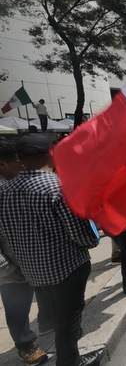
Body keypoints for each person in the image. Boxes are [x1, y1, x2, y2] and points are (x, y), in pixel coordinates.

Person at [0, 134, 105, 366]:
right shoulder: (59, 188)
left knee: (60, 316)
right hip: (67, 267)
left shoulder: (4, 192)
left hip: (32, 270)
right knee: (69, 318)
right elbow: (82, 235)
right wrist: (93, 239)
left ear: (20, 158)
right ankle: (70, 361)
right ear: (53, 153)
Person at [0, 140, 49, 365]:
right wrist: (5, 269)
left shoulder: (14, 183)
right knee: (17, 306)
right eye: (16, 162)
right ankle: (26, 345)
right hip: (11, 265)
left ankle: (45, 324)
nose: (21, 166)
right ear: (2, 164)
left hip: (28, 256)